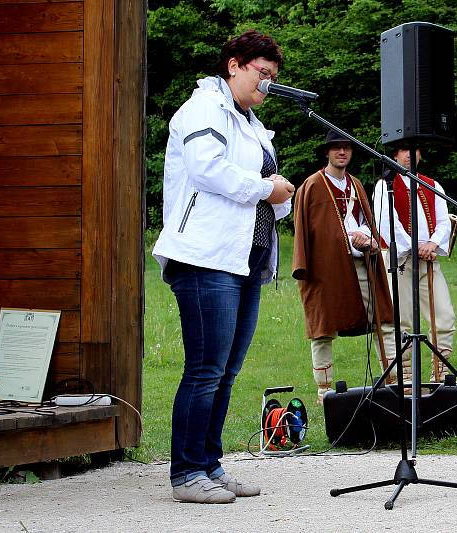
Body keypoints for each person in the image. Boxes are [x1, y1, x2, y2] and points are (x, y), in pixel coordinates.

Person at [152, 31, 294, 504]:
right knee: (206, 369)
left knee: (226, 371)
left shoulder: (250, 122)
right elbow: (208, 169)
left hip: (245, 261)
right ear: (234, 66)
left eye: (274, 77)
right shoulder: (204, 109)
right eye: (262, 73)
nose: (268, 84)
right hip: (205, 258)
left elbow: (260, 189)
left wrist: (279, 197)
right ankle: (186, 473)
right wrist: (265, 188)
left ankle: (209, 465)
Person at [292, 130, 396, 404]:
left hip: (361, 263)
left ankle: (395, 379)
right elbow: (305, 230)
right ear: (327, 153)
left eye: (346, 148)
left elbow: (363, 220)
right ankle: (323, 390)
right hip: (326, 270)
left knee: (382, 319)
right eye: (336, 148)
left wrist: (365, 237)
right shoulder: (312, 186)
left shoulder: (356, 184)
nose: (342, 153)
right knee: (322, 329)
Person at [372, 145, 456, 382]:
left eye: (414, 149)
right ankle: (404, 379)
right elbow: (388, 223)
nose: (409, 154)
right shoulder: (385, 186)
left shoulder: (432, 184)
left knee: (444, 317)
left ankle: (440, 375)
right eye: (403, 150)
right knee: (402, 321)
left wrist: (432, 244)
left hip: (428, 261)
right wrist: (412, 246)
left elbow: (443, 221)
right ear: (395, 155)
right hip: (400, 260)